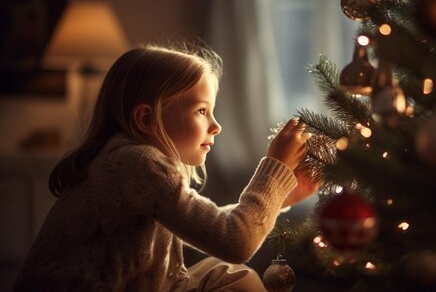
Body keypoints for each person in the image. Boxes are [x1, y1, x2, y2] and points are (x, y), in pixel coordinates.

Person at [13, 44, 318, 292]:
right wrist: (274, 168)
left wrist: (282, 196)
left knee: (228, 275)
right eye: (202, 111)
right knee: (236, 276)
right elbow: (233, 241)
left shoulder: (125, 161)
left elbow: (209, 227)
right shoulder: (137, 163)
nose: (216, 126)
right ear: (146, 119)